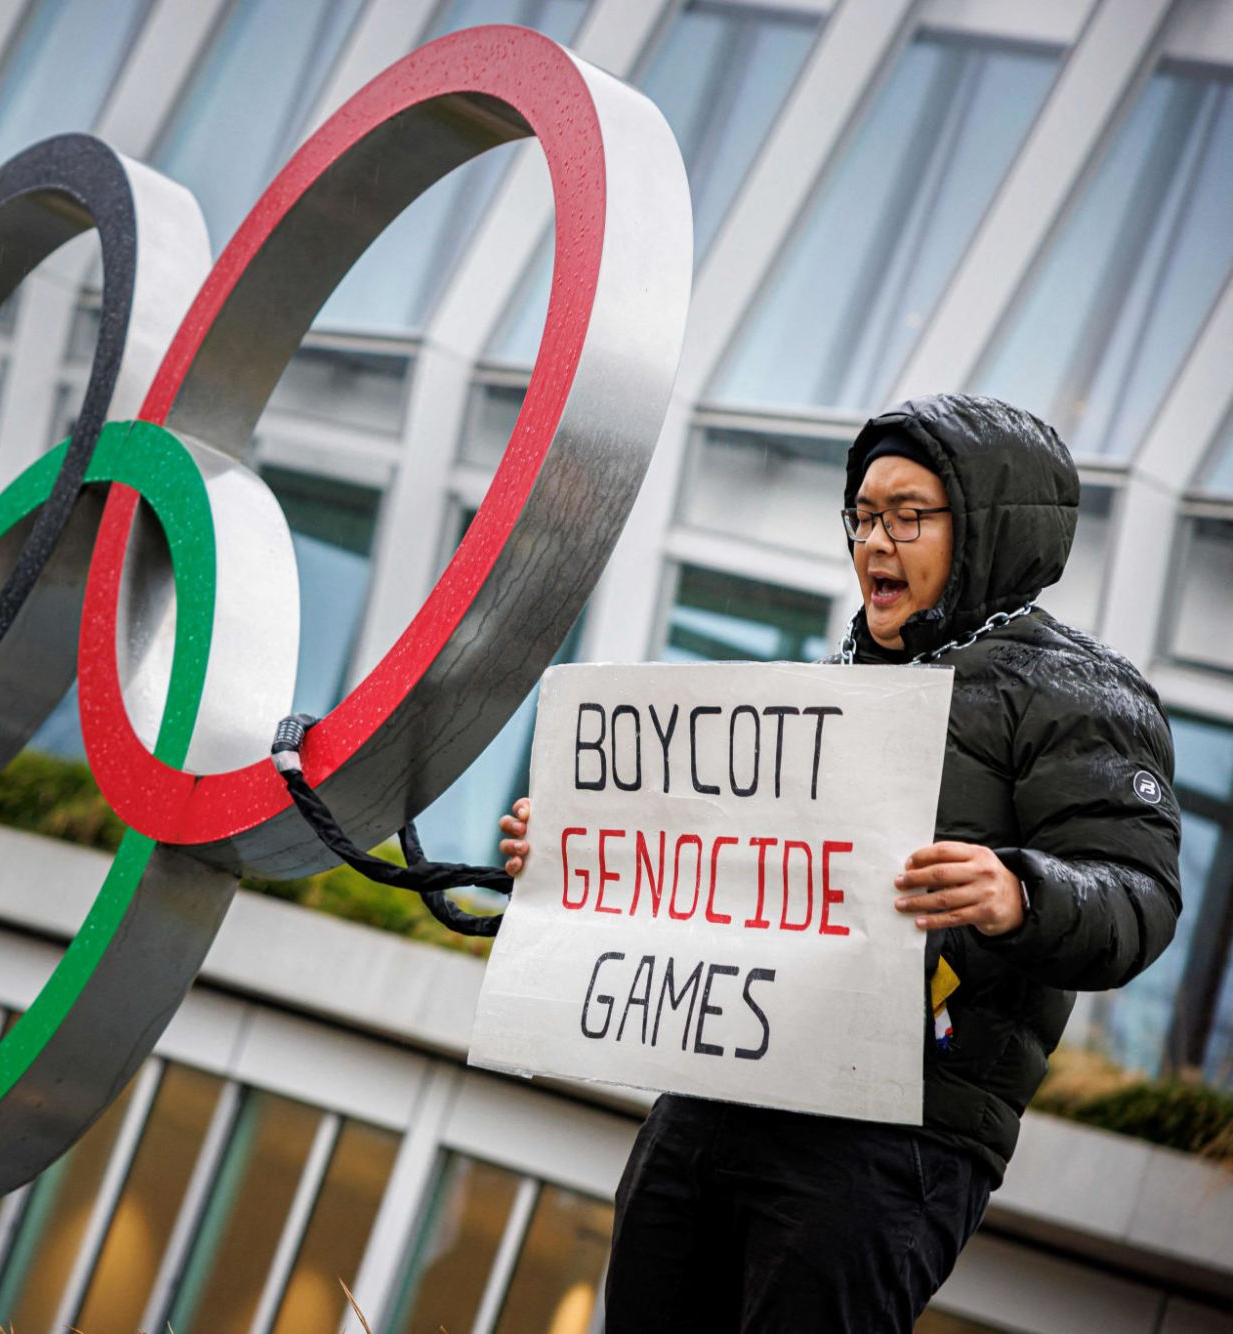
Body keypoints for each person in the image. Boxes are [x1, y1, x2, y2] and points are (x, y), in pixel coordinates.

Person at [496, 393, 1182, 1331]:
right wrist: (580, 859)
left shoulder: (1080, 693)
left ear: (984, 527)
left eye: (909, 516)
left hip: (893, 1139)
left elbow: (1138, 898)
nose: (875, 542)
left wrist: (1020, 891)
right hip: (716, 1096)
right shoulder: (824, 689)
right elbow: (719, 874)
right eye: (863, 516)